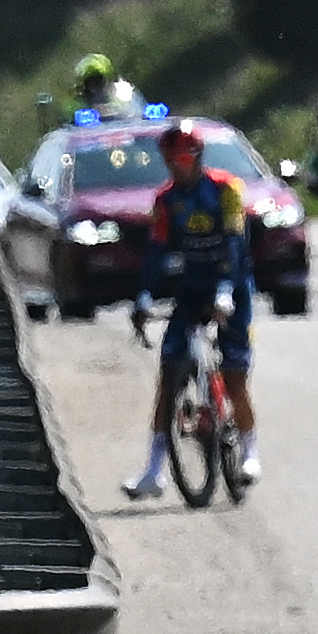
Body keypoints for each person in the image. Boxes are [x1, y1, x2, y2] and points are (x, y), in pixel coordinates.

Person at [124, 122, 258, 497]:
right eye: (170, 160)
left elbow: (234, 241)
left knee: (234, 376)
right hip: (194, 287)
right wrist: (144, 295)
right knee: (168, 375)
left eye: (182, 159)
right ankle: (154, 471)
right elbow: (156, 251)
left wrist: (227, 290)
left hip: (232, 285)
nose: (176, 167)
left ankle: (250, 450)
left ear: (197, 157)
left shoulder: (225, 189)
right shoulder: (166, 200)